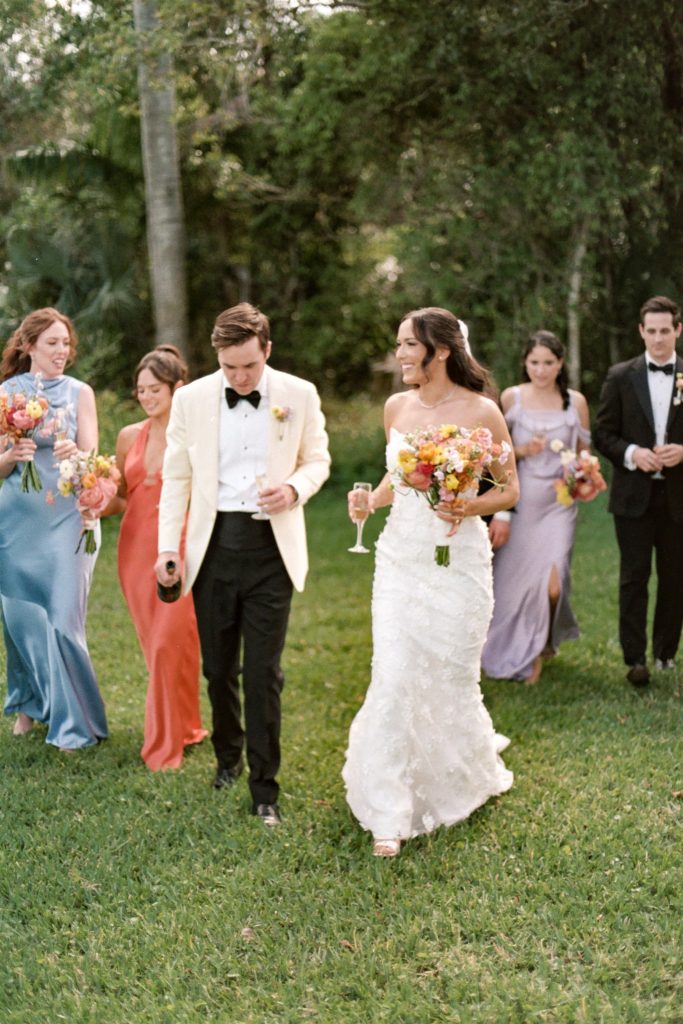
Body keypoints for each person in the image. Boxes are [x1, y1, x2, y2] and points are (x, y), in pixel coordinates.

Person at [342, 307, 518, 858]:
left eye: (406, 345)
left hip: (459, 559)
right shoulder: (396, 407)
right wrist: (368, 500)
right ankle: (389, 811)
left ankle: (462, 775)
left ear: (439, 350)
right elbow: (398, 481)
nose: (398, 356)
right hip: (400, 557)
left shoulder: (483, 410)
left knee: (448, 673)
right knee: (393, 674)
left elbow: (509, 489)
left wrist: (472, 504)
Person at [155, 303, 330, 826]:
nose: (239, 376)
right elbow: (177, 479)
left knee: (263, 673)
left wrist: (295, 489)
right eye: (229, 367)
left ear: (267, 350)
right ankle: (227, 755)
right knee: (218, 668)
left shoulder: (299, 394)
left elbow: (318, 458)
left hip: (270, 550)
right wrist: (168, 548)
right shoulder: (190, 399)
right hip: (212, 548)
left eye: (248, 367)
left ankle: (264, 789)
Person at [0, 308, 107, 750]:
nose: (62, 351)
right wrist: (12, 456)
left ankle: (75, 723)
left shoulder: (81, 392)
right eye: (52, 344)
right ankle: (29, 704)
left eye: (66, 343)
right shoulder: (5, 393)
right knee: (21, 619)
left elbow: (94, 464)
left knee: (63, 620)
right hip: (15, 520)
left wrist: (75, 456)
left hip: (67, 519)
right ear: (29, 347)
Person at [107, 346, 208, 770]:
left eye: (155, 390)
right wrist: (90, 499)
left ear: (177, 389)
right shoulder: (130, 436)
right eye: (141, 390)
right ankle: (186, 726)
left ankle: (163, 749)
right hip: (133, 550)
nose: (147, 397)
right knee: (160, 647)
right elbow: (120, 497)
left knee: (171, 642)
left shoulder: (198, 435)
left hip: (180, 547)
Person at [481, 330, 591, 685]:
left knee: (553, 584)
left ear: (560, 364)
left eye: (548, 363)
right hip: (521, 499)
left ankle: (543, 640)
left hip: (560, 503)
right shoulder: (512, 398)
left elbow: (585, 452)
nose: (541, 370)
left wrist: (585, 471)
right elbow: (493, 452)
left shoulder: (576, 402)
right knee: (513, 583)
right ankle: (525, 652)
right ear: (525, 363)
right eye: (534, 363)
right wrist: (523, 451)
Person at [594, 295, 683, 687]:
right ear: (641, 331)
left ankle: (665, 653)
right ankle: (635, 659)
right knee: (634, 577)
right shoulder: (620, 376)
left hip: (679, 497)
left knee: (675, 577)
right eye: (652, 331)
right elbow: (602, 433)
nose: (659, 339)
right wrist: (632, 454)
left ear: (678, 330)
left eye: (666, 331)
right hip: (633, 497)